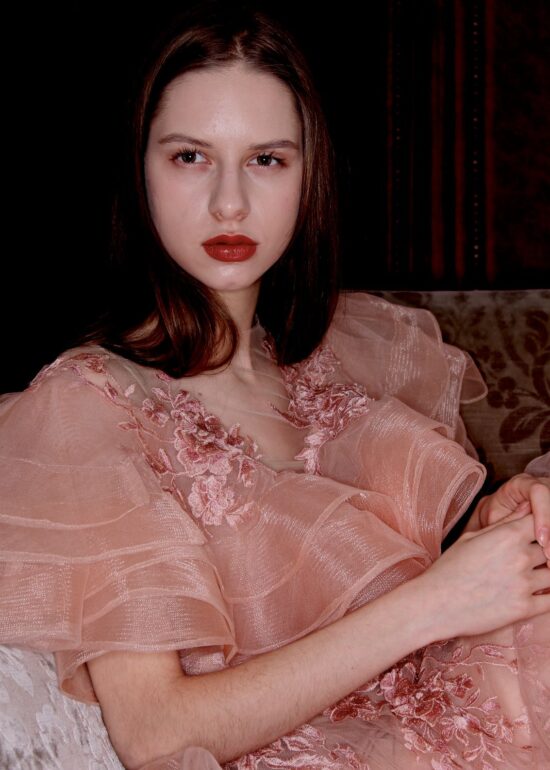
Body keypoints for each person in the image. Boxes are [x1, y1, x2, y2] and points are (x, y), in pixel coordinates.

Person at [0, 4, 549, 769]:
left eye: (266, 160)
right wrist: (434, 604)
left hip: (435, 726)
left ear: (309, 175)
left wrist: (495, 534)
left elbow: (420, 606)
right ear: (140, 170)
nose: (229, 202)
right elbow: (155, 732)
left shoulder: (341, 355)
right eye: (190, 156)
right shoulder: (90, 404)